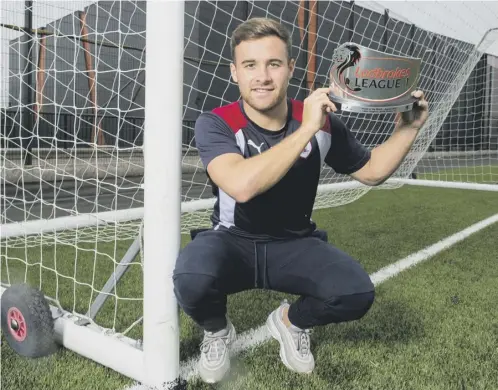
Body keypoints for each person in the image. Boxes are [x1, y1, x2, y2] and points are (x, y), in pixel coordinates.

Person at [173, 17, 429, 384]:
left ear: (291, 68)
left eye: (273, 64)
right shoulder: (215, 122)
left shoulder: (323, 122)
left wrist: (408, 128)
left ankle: (289, 322)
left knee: (355, 292)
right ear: (234, 73)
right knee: (191, 277)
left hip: (295, 243)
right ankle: (217, 331)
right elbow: (241, 186)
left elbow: (371, 172)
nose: (262, 76)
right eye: (250, 65)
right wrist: (306, 128)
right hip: (233, 241)